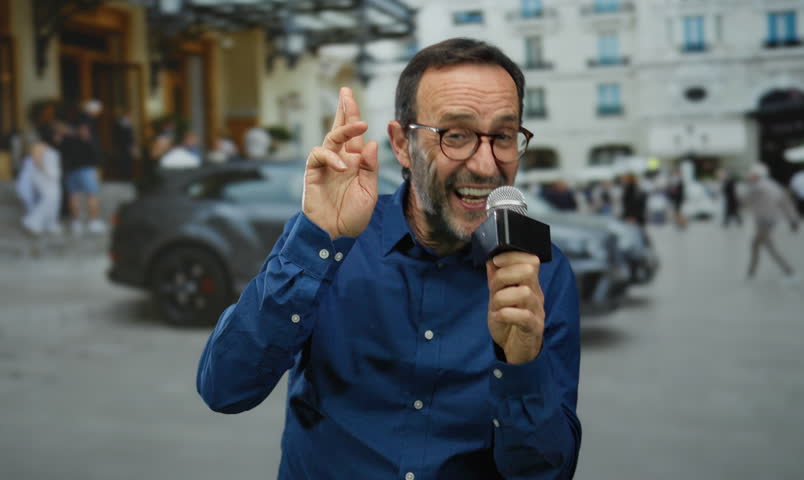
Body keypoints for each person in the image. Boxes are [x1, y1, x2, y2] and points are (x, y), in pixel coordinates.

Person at [197, 38, 581, 479]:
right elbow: (224, 388)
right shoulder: (333, 242)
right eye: (456, 135)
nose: (485, 164)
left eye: (504, 136)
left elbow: (546, 473)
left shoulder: (542, 275)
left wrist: (522, 368)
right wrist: (314, 242)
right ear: (401, 144)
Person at [743, 163, 799, 281]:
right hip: (769, 220)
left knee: (764, 246)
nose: (750, 176)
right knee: (758, 245)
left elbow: (744, 199)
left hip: (764, 221)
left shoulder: (757, 186)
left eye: (752, 174)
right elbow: (785, 203)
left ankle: (788, 270)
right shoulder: (773, 185)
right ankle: (751, 271)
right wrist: (792, 219)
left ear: (757, 175)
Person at [58, 122, 106, 235]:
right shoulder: (88, 139)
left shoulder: (67, 139)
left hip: (71, 170)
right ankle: (93, 222)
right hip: (87, 170)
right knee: (91, 196)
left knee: (73, 196)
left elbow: (61, 151)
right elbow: (96, 154)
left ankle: (76, 223)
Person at [19, 141, 62, 235]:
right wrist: (44, 170)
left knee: (53, 201)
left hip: (50, 178)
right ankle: (33, 221)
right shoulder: (43, 148)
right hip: (45, 178)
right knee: (49, 199)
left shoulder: (49, 151)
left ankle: (50, 223)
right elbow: (37, 160)